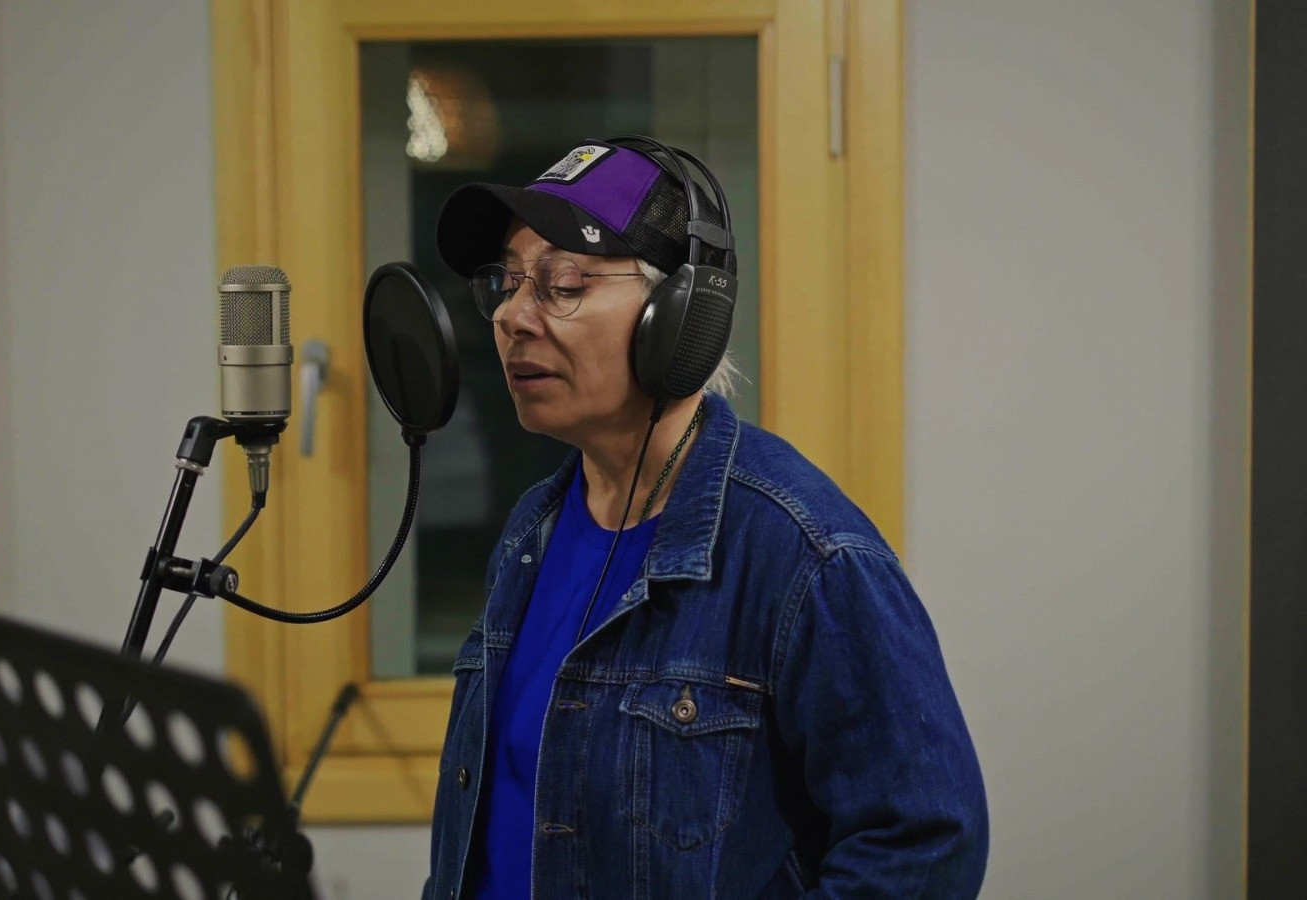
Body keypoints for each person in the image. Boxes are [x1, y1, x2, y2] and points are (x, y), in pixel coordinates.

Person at [423, 137, 988, 899]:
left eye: (562, 284)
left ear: (681, 316)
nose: (512, 316)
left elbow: (926, 844)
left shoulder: (803, 553)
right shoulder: (534, 530)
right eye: (507, 282)